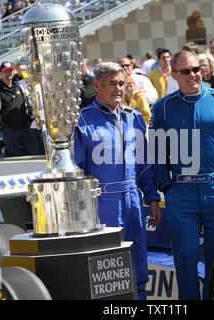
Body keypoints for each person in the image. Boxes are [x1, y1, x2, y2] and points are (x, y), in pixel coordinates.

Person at [150, 50, 214, 300]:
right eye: (186, 71)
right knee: (185, 257)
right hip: (181, 195)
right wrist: (166, 185)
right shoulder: (163, 107)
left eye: (196, 69)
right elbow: (157, 150)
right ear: (174, 75)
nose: (193, 75)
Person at [73, 62, 162, 300]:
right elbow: (76, 171)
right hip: (101, 204)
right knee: (106, 270)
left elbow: (144, 166)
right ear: (97, 86)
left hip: (133, 202)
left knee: (138, 264)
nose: (118, 89)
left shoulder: (134, 118)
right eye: (112, 83)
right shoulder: (82, 121)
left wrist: (152, 198)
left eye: (121, 83)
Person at [0, 61, 41, 157]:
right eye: (5, 71)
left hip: (24, 128)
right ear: (0, 73)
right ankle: (2, 148)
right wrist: (3, 128)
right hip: (9, 130)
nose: (8, 73)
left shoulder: (19, 86)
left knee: (33, 152)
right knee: (13, 157)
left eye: (10, 71)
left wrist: (29, 120)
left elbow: (28, 105)